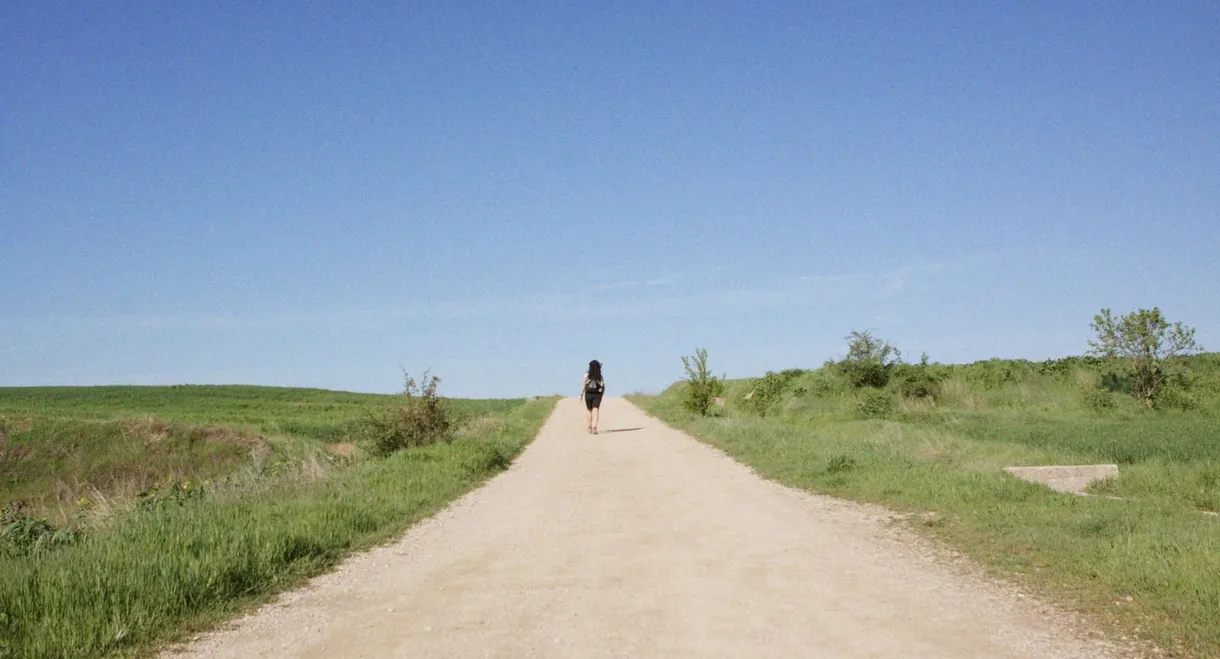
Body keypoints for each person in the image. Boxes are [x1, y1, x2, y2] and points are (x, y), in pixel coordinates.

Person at [581, 359, 605, 434]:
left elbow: (584, 384)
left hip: (588, 393)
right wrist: (602, 394)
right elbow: (603, 386)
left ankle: (589, 426)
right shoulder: (600, 376)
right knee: (596, 410)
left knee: (589, 410)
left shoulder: (587, 374)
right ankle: (594, 427)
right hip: (597, 394)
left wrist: (582, 393)